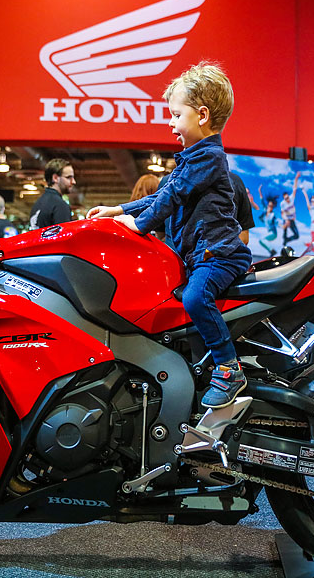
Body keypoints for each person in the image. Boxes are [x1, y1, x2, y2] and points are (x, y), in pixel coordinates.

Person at [87, 62, 252, 409]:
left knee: (195, 298)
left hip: (220, 255)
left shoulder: (209, 157)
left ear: (202, 115)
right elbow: (162, 193)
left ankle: (228, 366)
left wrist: (140, 225)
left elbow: (171, 197)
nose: (171, 124)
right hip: (201, 255)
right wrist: (118, 211)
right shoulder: (193, 159)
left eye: (176, 115)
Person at [29, 158, 76, 230]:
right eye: (69, 177)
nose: (73, 182)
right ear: (55, 178)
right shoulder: (60, 205)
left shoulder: (37, 204)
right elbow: (63, 239)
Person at [280, 172, 300, 248]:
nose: (287, 200)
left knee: (296, 235)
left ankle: (287, 240)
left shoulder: (291, 198)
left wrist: (296, 178)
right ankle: (284, 241)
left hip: (292, 219)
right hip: (286, 218)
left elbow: (294, 189)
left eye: (287, 198)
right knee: (285, 230)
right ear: (284, 199)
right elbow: (282, 213)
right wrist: (286, 220)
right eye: (286, 199)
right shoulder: (282, 204)